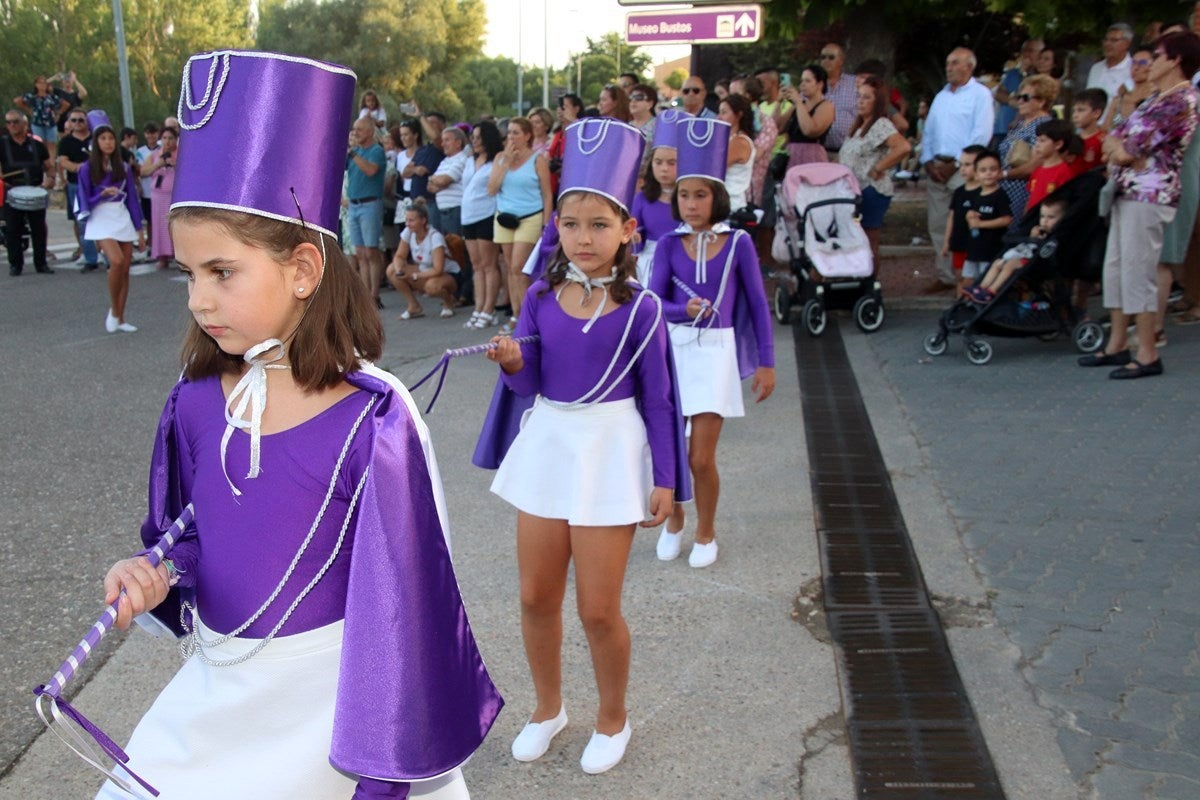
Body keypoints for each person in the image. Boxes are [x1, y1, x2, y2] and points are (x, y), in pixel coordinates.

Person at [94, 50, 501, 800]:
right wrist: (154, 573)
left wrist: (381, 779)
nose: (198, 300)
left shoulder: (371, 420)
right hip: (217, 704)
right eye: (189, 275)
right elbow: (192, 530)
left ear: (304, 270)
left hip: (334, 722)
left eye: (223, 272)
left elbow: (409, 611)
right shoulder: (193, 402)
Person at [485, 117, 680, 776]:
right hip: (549, 441)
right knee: (537, 596)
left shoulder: (644, 307)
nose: (583, 237)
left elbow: (659, 400)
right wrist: (513, 360)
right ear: (556, 228)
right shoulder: (539, 295)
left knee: (599, 609)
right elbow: (535, 380)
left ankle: (613, 716)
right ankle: (547, 708)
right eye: (570, 223)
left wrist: (667, 476)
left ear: (628, 230)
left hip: (609, 448)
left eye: (599, 224)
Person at [648, 117, 775, 568]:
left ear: (717, 196)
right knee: (669, 450)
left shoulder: (739, 242)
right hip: (672, 351)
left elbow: (759, 305)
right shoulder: (666, 244)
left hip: (716, 353)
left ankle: (706, 531)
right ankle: (674, 521)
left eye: (700, 195)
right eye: (684, 194)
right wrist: (684, 311)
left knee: (701, 458)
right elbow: (653, 304)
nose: (691, 203)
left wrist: (767, 361)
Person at [1080, 31, 1200, 379]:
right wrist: (1122, 150)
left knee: (1138, 271)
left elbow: (1128, 148)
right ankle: (1116, 344)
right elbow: (1115, 138)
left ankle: (1147, 352)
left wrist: (1123, 150)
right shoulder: (1155, 99)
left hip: (1149, 194)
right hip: (1127, 189)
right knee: (1116, 268)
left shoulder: (1181, 101)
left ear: (1175, 60)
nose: (1148, 61)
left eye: (1158, 54)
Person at [920, 47, 994, 292]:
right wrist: (929, 162)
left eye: (955, 63)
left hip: (963, 170)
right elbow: (929, 131)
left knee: (966, 224)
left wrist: (956, 165)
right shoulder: (941, 96)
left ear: (969, 67)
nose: (949, 68)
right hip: (937, 168)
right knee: (938, 224)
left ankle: (970, 277)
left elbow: (980, 134)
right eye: (948, 63)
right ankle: (946, 276)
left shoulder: (980, 95)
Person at [487, 116, 553, 335]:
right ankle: (517, 314)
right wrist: (505, 162)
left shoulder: (538, 159)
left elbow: (546, 193)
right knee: (510, 268)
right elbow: (492, 189)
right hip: (505, 216)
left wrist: (547, 224)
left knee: (519, 267)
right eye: (509, 132)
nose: (512, 137)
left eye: (516, 132)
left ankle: (527, 316)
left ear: (527, 135)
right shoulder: (499, 158)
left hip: (530, 216)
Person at [77, 119, 145, 331]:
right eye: (103, 138)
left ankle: (120, 318)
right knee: (116, 261)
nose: (107, 142)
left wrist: (140, 230)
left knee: (125, 268)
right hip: (100, 217)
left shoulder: (122, 167)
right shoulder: (87, 168)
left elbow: (132, 198)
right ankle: (114, 310)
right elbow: (82, 197)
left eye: (110, 139)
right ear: (96, 142)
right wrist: (101, 195)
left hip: (120, 215)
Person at [839, 75, 912, 264]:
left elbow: (903, 147)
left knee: (869, 240)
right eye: (859, 96)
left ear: (877, 101)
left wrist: (878, 167)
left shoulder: (880, 124)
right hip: (854, 189)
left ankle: (870, 282)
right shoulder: (858, 126)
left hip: (871, 189)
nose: (860, 102)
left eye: (866, 97)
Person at [966, 195, 1064, 303]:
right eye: (1042, 216)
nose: (1045, 221)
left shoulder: (1056, 236)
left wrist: (1039, 241)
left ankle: (991, 291)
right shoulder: (1036, 229)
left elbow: (1046, 254)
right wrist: (1032, 237)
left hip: (1035, 264)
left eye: (1051, 217)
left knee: (1009, 265)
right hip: (1022, 256)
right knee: (998, 262)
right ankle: (981, 287)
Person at [995, 74, 1057, 229]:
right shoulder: (1020, 123)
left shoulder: (1044, 126)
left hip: (1023, 192)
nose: (1020, 101)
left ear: (1042, 101)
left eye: (1025, 97)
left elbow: (1034, 166)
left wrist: (1002, 175)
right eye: (1018, 97)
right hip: (1005, 189)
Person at [630, 109, 683, 285]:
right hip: (649, 266)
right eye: (658, 162)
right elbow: (636, 244)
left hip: (683, 264)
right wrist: (635, 239)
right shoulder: (642, 198)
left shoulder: (690, 200)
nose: (664, 168)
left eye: (671, 163)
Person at [385, 199, 462, 319]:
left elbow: (438, 269)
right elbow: (399, 256)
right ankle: (413, 305)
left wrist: (414, 276)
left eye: (411, 220)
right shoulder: (408, 232)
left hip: (448, 273)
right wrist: (399, 268)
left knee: (431, 287)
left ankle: (448, 302)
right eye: (407, 220)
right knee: (392, 269)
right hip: (425, 269)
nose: (407, 224)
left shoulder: (435, 237)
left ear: (423, 221)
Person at [2, 109, 55, 275]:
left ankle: (41, 263)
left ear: (25, 124)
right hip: (12, 191)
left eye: (15, 122)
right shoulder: (1, 144)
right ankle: (15, 265)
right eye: (9, 122)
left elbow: (49, 167)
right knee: (13, 230)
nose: (12, 125)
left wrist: (50, 179)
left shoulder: (37, 145)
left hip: (34, 189)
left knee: (39, 229)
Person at [461, 120, 503, 329]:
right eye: (473, 137)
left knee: (489, 264)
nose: (475, 141)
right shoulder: (470, 160)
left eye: (479, 137)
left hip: (486, 214)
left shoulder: (496, 160)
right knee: (476, 265)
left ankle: (489, 308)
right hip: (467, 215)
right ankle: (479, 307)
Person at [345, 116, 388, 309]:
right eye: (354, 129)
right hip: (354, 205)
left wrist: (352, 153)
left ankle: (374, 295)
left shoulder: (376, 151)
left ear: (370, 131)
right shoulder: (357, 152)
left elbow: (371, 170)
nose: (356, 133)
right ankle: (365, 296)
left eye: (360, 129)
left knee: (371, 251)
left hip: (370, 204)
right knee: (360, 253)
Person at [959, 151, 1013, 290]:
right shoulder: (976, 195)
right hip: (974, 249)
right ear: (976, 174)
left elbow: (1007, 219)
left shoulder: (1000, 195)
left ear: (1000, 172)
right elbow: (971, 212)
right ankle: (966, 307)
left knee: (984, 283)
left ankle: (982, 308)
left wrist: (981, 224)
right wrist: (969, 215)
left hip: (990, 250)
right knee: (967, 281)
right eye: (983, 170)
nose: (988, 173)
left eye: (993, 169)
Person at [58, 107, 100, 270]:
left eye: (81, 120)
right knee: (82, 222)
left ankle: (108, 255)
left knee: (102, 218)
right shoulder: (66, 142)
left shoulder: (96, 138)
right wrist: (81, 168)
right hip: (76, 184)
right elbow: (63, 162)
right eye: (73, 120)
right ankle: (90, 259)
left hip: (98, 184)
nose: (77, 123)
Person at [941, 146, 984, 293]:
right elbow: (952, 217)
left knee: (972, 278)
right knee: (960, 277)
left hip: (976, 244)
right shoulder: (959, 191)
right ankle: (959, 308)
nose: (963, 169)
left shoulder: (985, 191)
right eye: (961, 164)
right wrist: (947, 241)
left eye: (968, 165)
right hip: (958, 242)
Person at [779, 64, 834, 169]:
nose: (802, 85)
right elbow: (779, 128)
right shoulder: (798, 104)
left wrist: (798, 103)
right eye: (802, 81)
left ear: (820, 84)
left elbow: (809, 130)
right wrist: (779, 101)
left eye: (807, 81)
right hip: (791, 157)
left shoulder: (826, 106)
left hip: (812, 158)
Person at [993, 39, 1043, 148]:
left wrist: (1024, 74)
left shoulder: (1040, 78)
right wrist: (1012, 102)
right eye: (1024, 50)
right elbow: (998, 94)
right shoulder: (1012, 73)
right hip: (1002, 130)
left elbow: (1026, 97)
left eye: (1030, 51)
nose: (1026, 54)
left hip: (1025, 133)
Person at [142, 126, 178, 270]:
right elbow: (143, 171)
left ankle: (180, 256)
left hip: (174, 195)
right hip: (158, 196)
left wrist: (174, 164)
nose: (167, 141)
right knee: (160, 226)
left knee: (175, 226)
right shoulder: (155, 155)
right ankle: (162, 257)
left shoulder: (182, 153)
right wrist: (158, 164)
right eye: (164, 138)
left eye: (170, 138)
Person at [1024, 119, 1079, 213]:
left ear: (1058, 144)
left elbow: (1064, 203)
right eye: (1037, 140)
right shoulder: (1037, 170)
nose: (1037, 145)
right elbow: (1030, 198)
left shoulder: (1064, 172)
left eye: (1042, 141)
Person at [428, 125, 470, 238]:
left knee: (455, 248)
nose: (442, 144)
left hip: (454, 211)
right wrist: (436, 180)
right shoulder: (444, 161)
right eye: (442, 140)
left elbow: (444, 180)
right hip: (441, 211)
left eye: (447, 140)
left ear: (458, 143)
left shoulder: (462, 159)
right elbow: (430, 187)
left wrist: (434, 179)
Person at [717, 94, 756, 213]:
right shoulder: (730, 139)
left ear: (738, 115)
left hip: (730, 204)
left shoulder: (740, 142)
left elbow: (715, 166)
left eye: (724, 112)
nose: (719, 117)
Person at [14, 75, 68, 160]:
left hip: (50, 122)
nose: (42, 85)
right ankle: (42, 162)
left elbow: (65, 104)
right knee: (39, 143)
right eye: (40, 83)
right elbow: (17, 101)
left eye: (44, 83)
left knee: (52, 144)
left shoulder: (51, 96)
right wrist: (28, 110)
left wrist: (58, 113)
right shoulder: (32, 96)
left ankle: (51, 163)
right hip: (37, 122)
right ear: (36, 85)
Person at [817, 43, 856, 157]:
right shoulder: (814, 85)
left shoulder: (854, 84)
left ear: (841, 61)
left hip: (848, 152)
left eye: (831, 57)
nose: (826, 61)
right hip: (820, 151)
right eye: (823, 57)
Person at [1102, 47, 1154, 129]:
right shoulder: (1119, 100)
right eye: (1133, 62)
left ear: (1153, 66)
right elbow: (1104, 130)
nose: (1136, 67)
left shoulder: (1156, 98)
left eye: (1143, 63)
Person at [1087, 23, 1135, 100]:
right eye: (1106, 40)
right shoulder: (1096, 68)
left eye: (1114, 40)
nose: (1107, 44)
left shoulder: (1134, 69)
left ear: (1127, 43)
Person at [135, 122, 161, 248]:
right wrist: (154, 167)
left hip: (162, 191)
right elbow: (141, 171)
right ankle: (151, 245)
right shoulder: (140, 151)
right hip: (147, 191)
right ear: (145, 135)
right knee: (150, 221)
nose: (151, 136)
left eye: (154, 133)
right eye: (148, 133)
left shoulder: (162, 148)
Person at [1071, 89, 1108, 175]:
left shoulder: (1103, 140)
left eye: (1080, 110)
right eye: (1074, 111)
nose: (1075, 115)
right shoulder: (1071, 138)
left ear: (1096, 113)